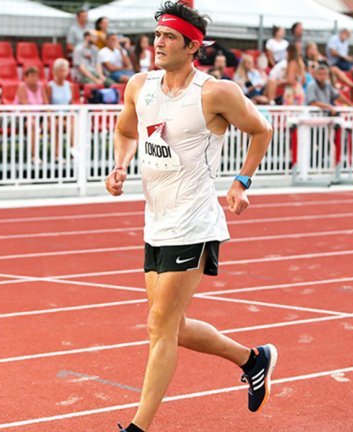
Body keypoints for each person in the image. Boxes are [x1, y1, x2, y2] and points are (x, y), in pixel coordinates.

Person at [104, 2, 276, 431]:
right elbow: (125, 130)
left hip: (194, 221)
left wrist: (241, 182)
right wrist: (121, 164)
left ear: (192, 46)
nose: (158, 43)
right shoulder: (140, 86)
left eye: (169, 37)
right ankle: (252, 359)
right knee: (173, 326)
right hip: (156, 221)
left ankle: (138, 428)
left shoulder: (214, 93)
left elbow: (261, 129)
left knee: (159, 326)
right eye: (157, 35)